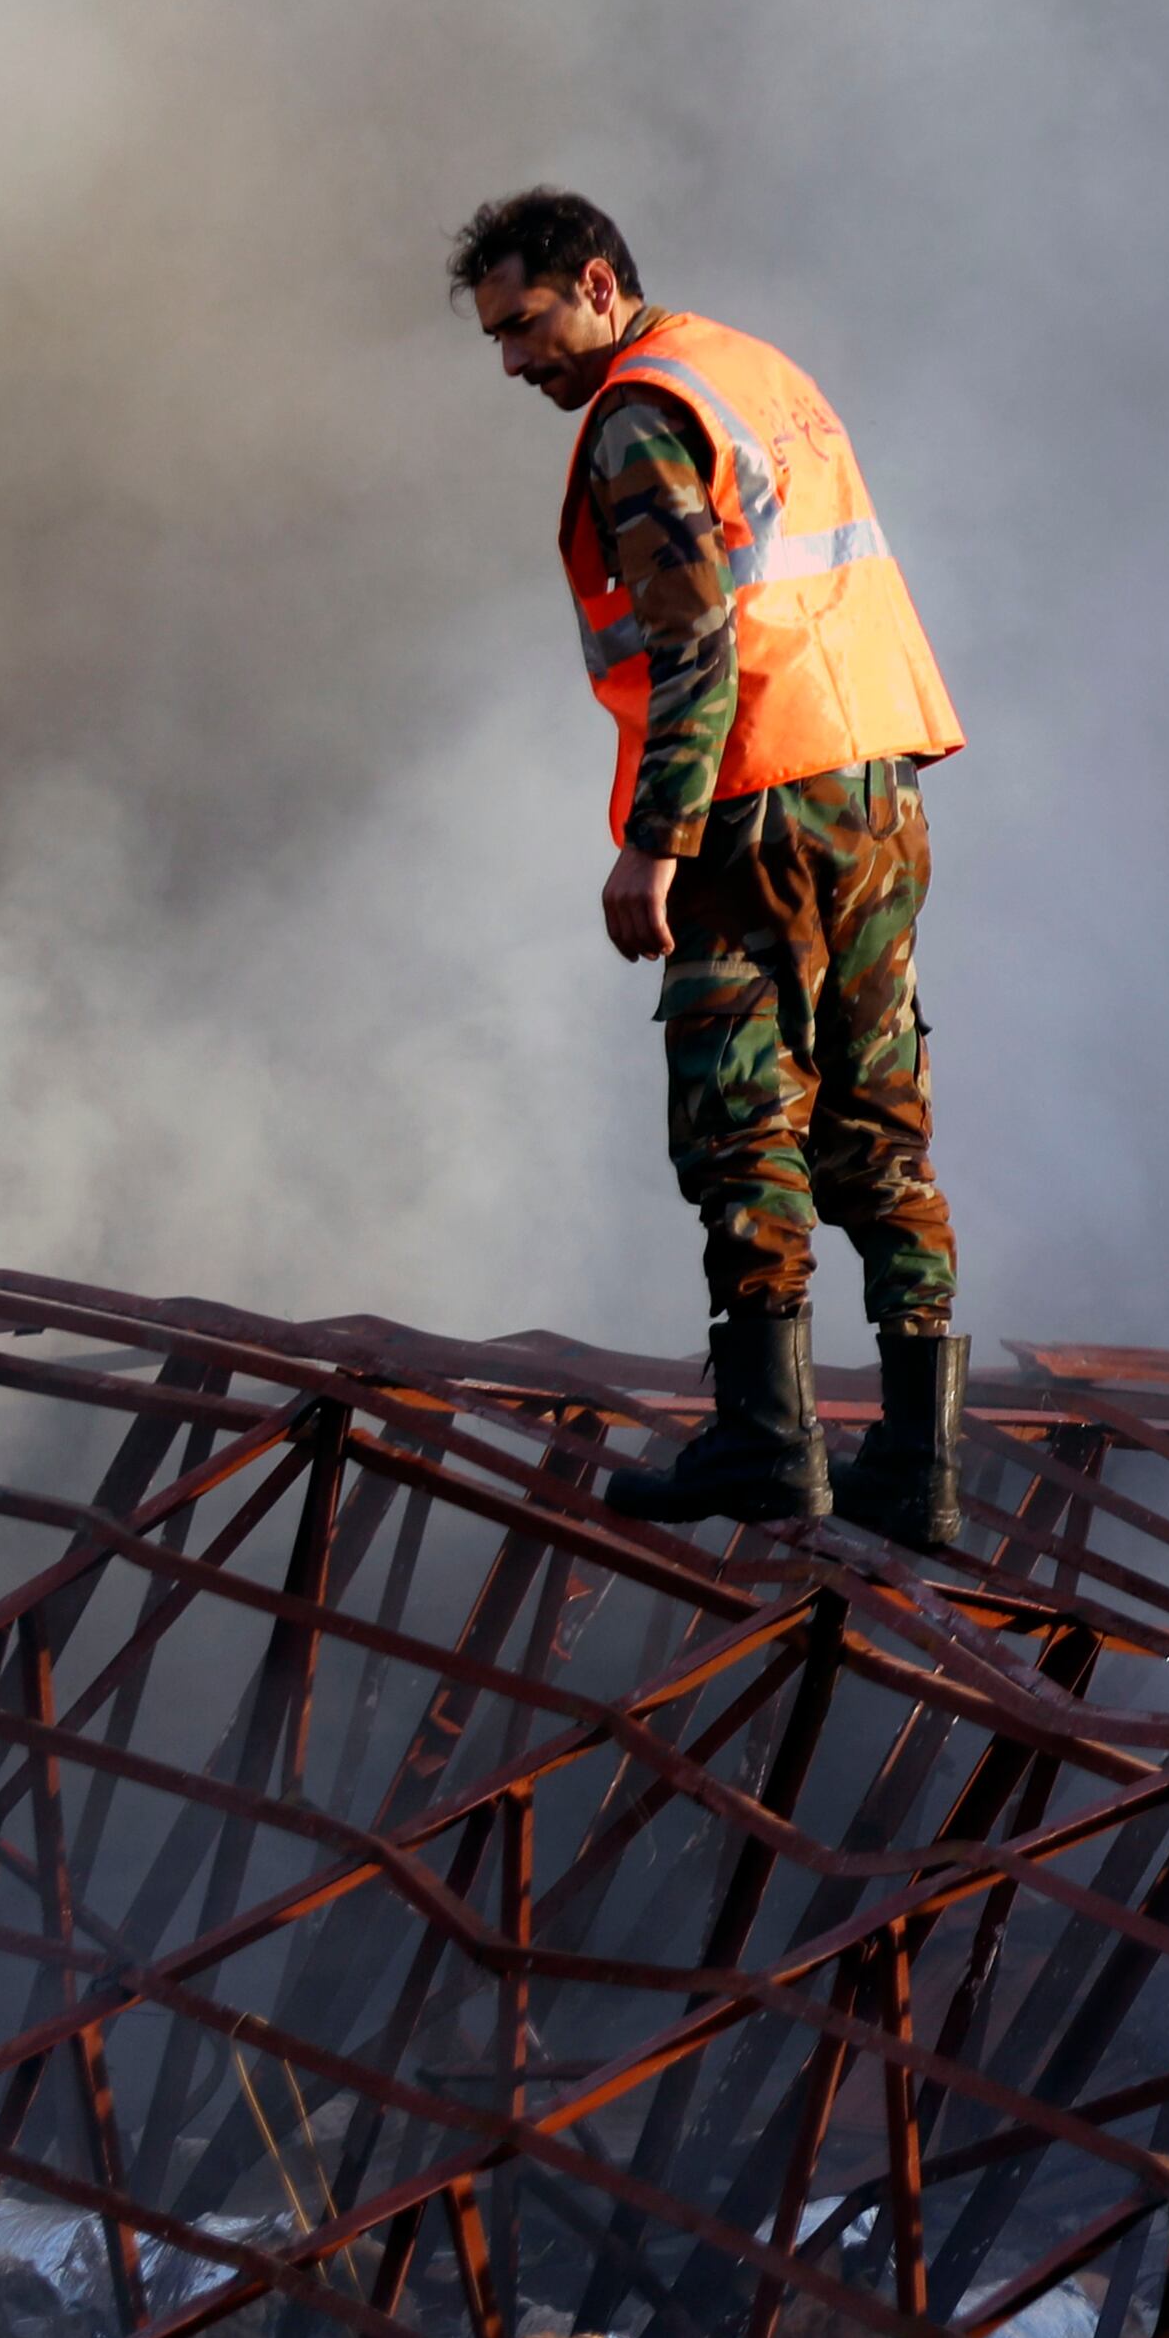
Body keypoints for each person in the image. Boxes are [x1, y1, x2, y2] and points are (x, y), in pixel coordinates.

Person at [457, 188, 975, 1554]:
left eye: (526, 323)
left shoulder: (637, 413)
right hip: (875, 782)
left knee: (742, 1109)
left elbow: (692, 642)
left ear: (600, 282)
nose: (517, 362)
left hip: (755, 800)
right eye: (499, 339)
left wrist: (655, 841)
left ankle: (768, 1437)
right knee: (879, 1116)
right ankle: (920, 1463)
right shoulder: (749, 368)